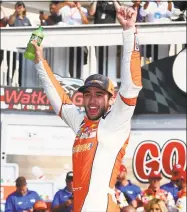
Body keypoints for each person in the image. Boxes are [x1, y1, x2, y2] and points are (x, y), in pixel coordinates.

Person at [32, 5, 142, 211]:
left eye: (99, 95)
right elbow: (60, 100)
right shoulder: (82, 123)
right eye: (88, 94)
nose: (92, 100)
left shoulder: (116, 122)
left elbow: (132, 84)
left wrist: (129, 32)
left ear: (111, 100)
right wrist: (40, 61)